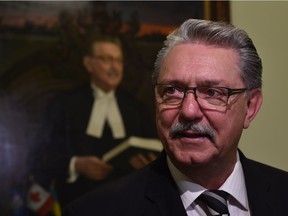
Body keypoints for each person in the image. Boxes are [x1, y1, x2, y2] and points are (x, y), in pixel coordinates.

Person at [63, 19, 288, 216]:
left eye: (212, 93)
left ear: (250, 107)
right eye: (172, 91)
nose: (189, 111)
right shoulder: (95, 211)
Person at [30, 35, 158, 208]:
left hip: (126, 202)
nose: (114, 67)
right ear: (88, 63)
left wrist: (147, 164)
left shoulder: (136, 109)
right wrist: (75, 164)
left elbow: (154, 151)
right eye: (106, 59)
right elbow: (40, 156)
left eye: (118, 60)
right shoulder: (64, 106)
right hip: (77, 200)